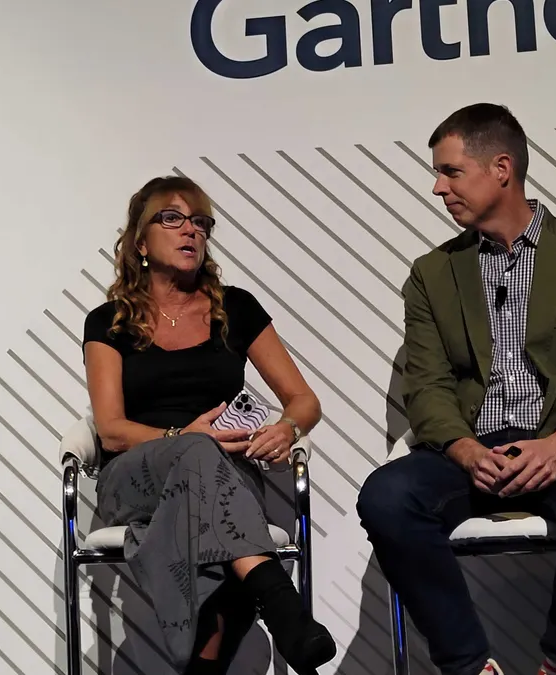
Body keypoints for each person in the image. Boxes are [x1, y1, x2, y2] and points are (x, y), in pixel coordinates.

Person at [356, 103, 556, 675]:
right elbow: (427, 389)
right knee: (387, 498)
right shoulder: (432, 273)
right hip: (473, 448)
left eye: (449, 172)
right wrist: (465, 450)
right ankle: (468, 665)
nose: (437, 187)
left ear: (501, 168)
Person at [83, 175, 336, 675]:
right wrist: (183, 438)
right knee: (200, 453)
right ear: (140, 241)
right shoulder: (108, 321)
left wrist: (286, 429)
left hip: (226, 475)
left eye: (201, 222)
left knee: (208, 485)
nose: (191, 231)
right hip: (135, 475)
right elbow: (111, 429)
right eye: (172, 218)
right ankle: (278, 599)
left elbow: (304, 400)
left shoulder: (235, 309)